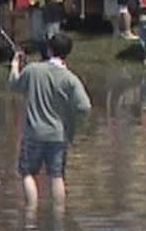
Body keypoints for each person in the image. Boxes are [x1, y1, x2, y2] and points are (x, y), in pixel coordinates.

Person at [8, 33, 92, 211]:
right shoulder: (70, 78)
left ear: (49, 49)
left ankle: (31, 212)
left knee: (28, 173)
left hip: (33, 134)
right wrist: (72, 121)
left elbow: (14, 85)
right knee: (56, 176)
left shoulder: (33, 70)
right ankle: (59, 214)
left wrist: (15, 64)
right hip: (58, 135)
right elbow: (84, 107)